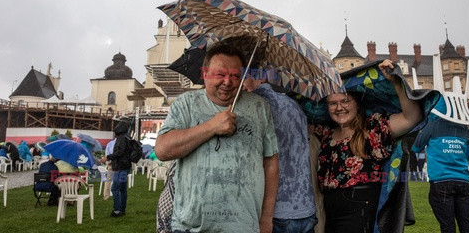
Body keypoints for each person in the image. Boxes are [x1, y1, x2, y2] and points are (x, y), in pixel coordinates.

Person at [155, 43, 279, 233]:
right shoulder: (186, 104)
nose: (228, 82)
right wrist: (212, 126)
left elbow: (271, 163)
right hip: (191, 226)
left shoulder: (260, 107)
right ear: (205, 73)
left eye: (235, 75)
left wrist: (266, 218)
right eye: (220, 74)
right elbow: (163, 150)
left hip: (244, 226)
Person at [314, 59, 423, 233]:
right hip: (329, 210)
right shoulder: (326, 133)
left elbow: (412, 118)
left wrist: (395, 81)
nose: (339, 107)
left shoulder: (373, 129)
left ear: (357, 104)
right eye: (333, 103)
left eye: (345, 101)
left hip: (359, 207)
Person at [243, 74, 317, 233]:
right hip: (305, 209)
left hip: (275, 212)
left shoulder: (254, 107)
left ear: (261, 78)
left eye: (242, 77)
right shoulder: (293, 104)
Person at [412, 97, 469, 233]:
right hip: (462, 181)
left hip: (441, 181)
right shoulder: (463, 127)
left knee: (447, 226)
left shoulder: (433, 125)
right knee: (466, 224)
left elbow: (416, 147)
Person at [100, 122, 131, 218]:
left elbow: (119, 152)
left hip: (120, 167)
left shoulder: (121, 139)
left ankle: (117, 210)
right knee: (122, 189)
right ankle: (122, 209)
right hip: (125, 166)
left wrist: (107, 157)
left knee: (115, 188)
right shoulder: (127, 138)